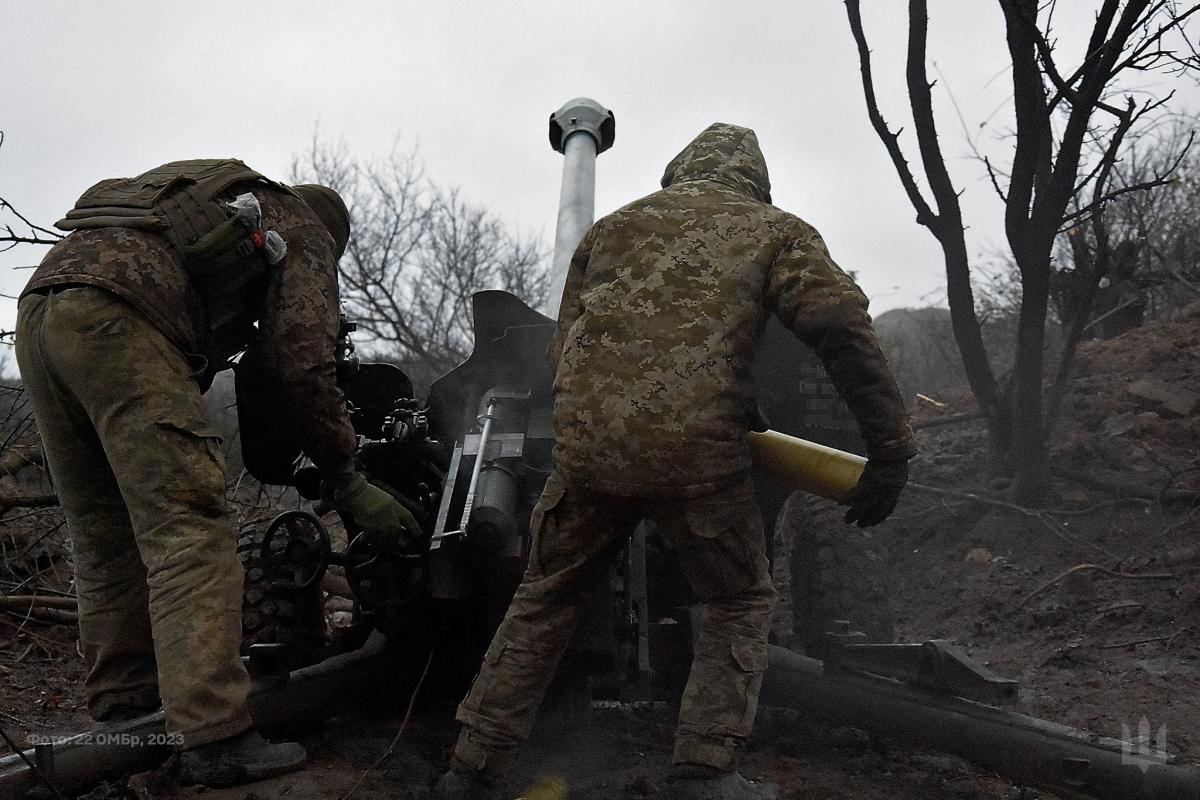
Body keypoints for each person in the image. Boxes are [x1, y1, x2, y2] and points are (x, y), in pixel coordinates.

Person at [434, 124, 917, 800]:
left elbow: (562, 350)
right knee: (737, 597)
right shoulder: (777, 231)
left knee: (543, 598)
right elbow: (838, 327)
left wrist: (597, 423)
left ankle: (473, 770)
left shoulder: (609, 231)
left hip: (589, 450)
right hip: (698, 460)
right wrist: (889, 452)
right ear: (754, 179)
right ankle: (705, 771)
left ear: (679, 170)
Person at [14, 159, 417, 787]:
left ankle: (127, 710)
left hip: (41, 313)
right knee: (191, 533)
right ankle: (214, 734)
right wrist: (350, 480)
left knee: (103, 532)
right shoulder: (305, 229)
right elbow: (302, 362)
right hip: (120, 317)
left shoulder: (225, 195)